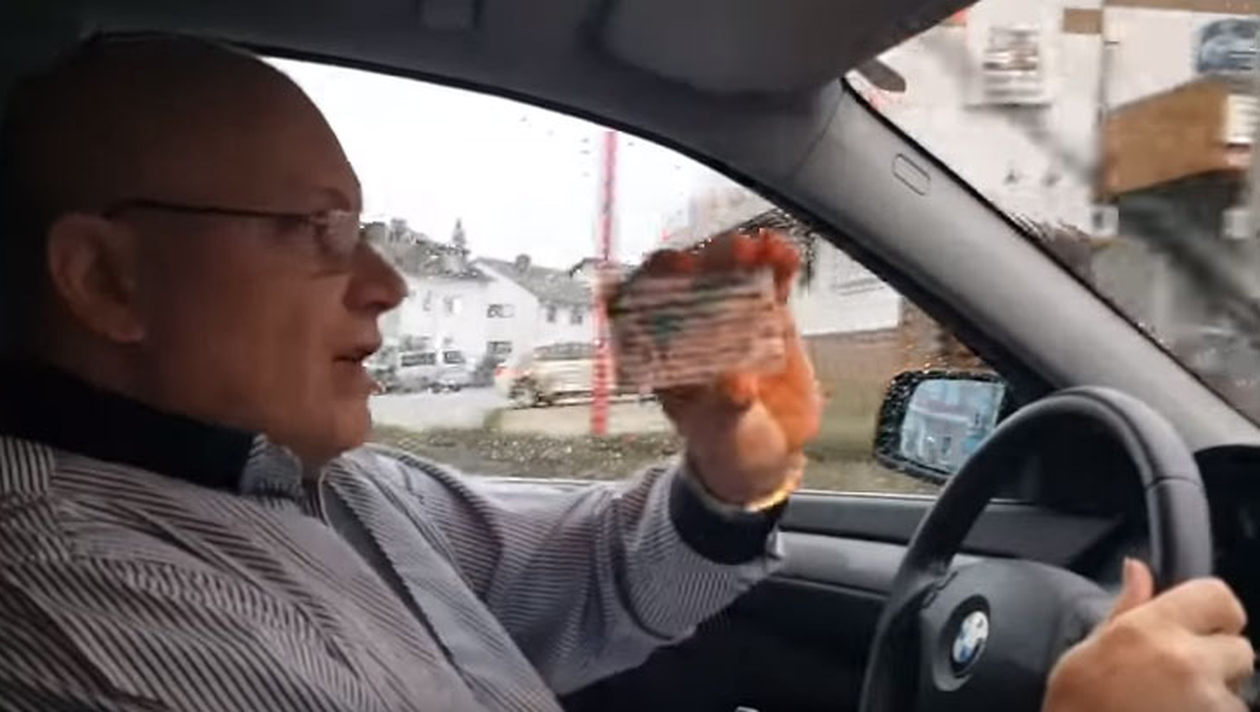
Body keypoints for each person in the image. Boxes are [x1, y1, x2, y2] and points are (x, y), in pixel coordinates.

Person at [0, 34, 1249, 712]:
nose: (382, 283)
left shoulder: (320, 483)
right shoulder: (85, 605)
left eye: (366, 229)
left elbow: (578, 576)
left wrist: (730, 473)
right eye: (315, 231)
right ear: (106, 279)